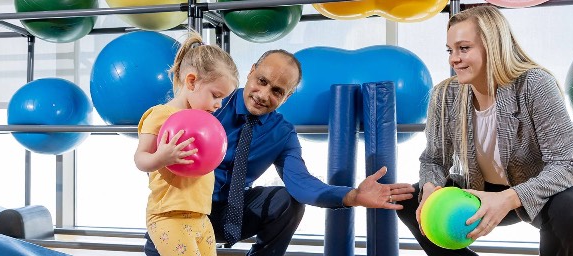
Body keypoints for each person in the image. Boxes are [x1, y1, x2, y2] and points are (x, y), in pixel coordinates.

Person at [144, 49, 416, 256]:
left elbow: (301, 184)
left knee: (288, 200)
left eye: (277, 91)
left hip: (232, 213)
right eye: (261, 81)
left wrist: (353, 195)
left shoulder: (282, 133)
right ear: (251, 72)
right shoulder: (212, 100)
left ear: (287, 96)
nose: (263, 94)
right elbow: (162, 129)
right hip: (184, 210)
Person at [395, 5, 573, 256]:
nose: (453, 58)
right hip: (481, 188)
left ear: (493, 46)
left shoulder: (535, 84)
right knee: (411, 201)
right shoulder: (445, 94)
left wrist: (510, 198)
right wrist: (430, 189)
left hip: (538, 190)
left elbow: (566, 164)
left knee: (570, 212)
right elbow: (434, 159)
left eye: (464, 48)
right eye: (450, 50)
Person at [134, 31, 239, 256]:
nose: (219, 104)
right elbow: (140, 158)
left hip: (200, 215)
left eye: (223, 99)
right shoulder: (161, 115)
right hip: (167, 216)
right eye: (215, 95)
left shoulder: (204, 124)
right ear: (191, 81)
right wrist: (161, 157)